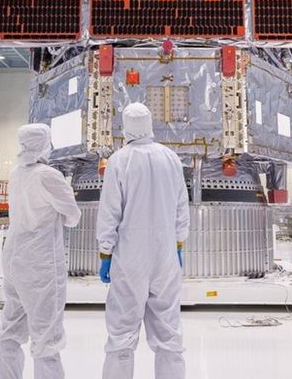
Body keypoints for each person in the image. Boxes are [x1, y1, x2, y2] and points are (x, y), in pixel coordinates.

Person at [96, 102, 189, 379]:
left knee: (122, 332)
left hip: (130, 258)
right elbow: (181, 208)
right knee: (169, 332)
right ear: (150, 125)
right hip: (165, 257)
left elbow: (110, 212)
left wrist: (105, 254)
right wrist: (178, 245)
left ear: (125, 128)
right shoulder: (170, 158)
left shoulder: (119, 160)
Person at [0, 123, 81, 379]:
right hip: (39, 263)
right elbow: (73, 215)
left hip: (14, 257)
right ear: (44, 144)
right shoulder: (48, 175)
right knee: (46, 335)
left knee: (11, 327)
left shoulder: (16, 173)